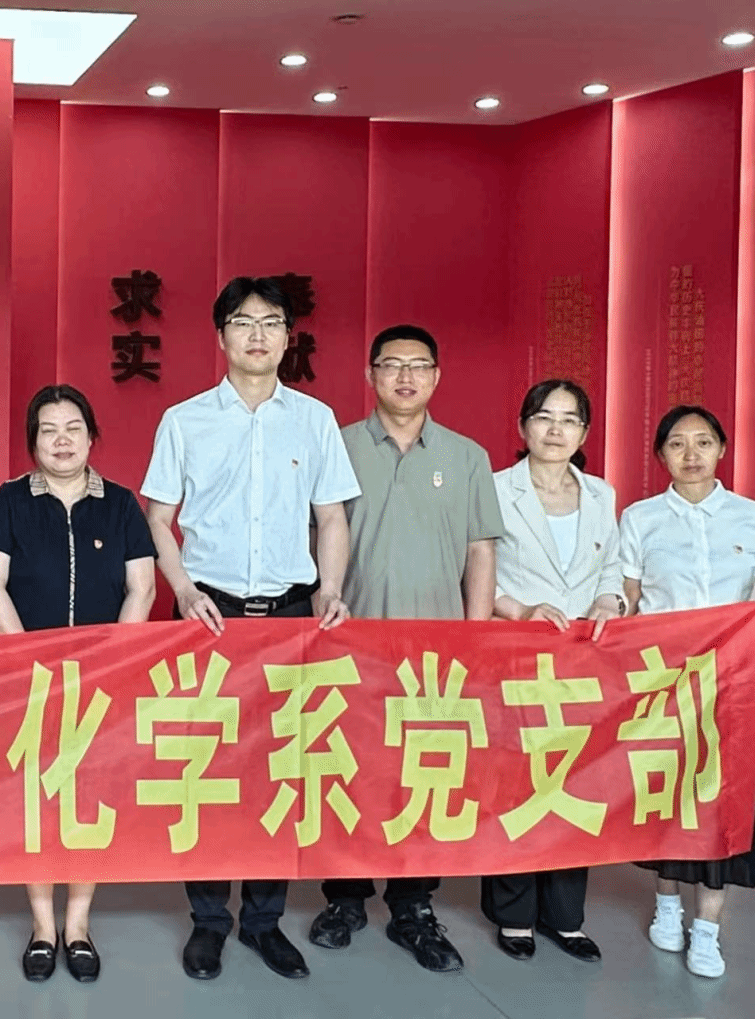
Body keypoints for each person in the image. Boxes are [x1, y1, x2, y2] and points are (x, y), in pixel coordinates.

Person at [140, 278, 358, 982]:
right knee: (206, 767)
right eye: (242, 321)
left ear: (289, 336)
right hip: (208, 615)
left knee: (279, 770)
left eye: (271, 322)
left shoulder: (315, 420)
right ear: (221, 336)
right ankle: (208, 921)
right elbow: (158, 518)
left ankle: (264, 921)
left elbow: (331, 516)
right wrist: (182, 589)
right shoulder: (185, 420)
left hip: (291, 615)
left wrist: (330, 590)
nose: (257, 334)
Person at [306, 325, 502, 974]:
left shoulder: (467, 456)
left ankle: (414, 904)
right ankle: (345, 898)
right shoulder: (335, 447)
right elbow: (313, 534)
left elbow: (480, 550)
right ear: (371, 375)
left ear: (437, 376)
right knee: (350, 773)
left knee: (424, 774)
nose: (405, 377)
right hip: (350, 644)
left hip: (436, 652)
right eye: (392, 365)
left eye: (419, 365)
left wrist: (474, 637)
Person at [0, 384, 155, 984]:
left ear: (91, 436)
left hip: (102, 681)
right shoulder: (9, 502)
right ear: (33, 441)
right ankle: (41, 926)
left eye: (73, 428)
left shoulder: (121, 505)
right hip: (29, 680)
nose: (61, 440)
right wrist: (32, 662)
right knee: (37, 799)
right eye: (48, 429)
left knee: (89, 798)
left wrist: (112, 664)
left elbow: (142, 588)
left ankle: (78, 924)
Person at [619, 404, 755, 979]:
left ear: (721, 449)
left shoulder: (751, 515)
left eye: (703, 442)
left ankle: (709, 928)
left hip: (733, 677)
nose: (690, 454)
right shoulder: (640, 518)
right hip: (664, 677)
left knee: (724, 798)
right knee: (669, 792)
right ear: (660, 455)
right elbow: (627, 593)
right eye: (676, 444)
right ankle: (667, 904)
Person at [482, 380, 622, 964]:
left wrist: (610, 602)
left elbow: (611, 567)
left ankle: (565, 918)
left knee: (575, 780)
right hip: (516, 653)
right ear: (523, 427)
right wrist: (519, 610)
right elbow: (475, 568)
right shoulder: (493, 488)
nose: (556, 429)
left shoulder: (600, 494)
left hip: (582, 662)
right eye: (544, 417)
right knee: (517, 781)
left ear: (584, 433)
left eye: (570, 419)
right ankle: (513, 915)